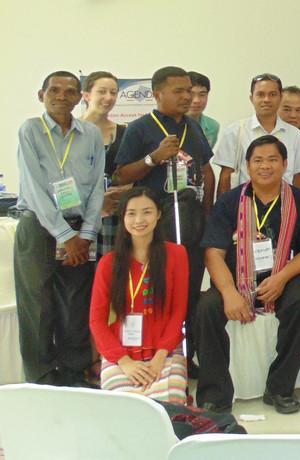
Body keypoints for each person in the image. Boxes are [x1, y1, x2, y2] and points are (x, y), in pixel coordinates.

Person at [196, 135, 300, 414]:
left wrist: (280, 278)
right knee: (206, 308)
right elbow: (213, 253)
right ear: (248, 166)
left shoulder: (299, 199)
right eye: (258, 160)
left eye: (273, 159)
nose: (266, 166)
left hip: (283, 274)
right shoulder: (230, 200)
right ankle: (215, 395)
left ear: (285, 164)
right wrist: (229, 293)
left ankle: (279, 388)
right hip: (237, 276)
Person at [115, 66, 216, 373]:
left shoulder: (194, 127)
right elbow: (121, 174)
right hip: (155, 226)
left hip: (192, 221)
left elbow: (207, 169)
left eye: (190, 91)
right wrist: (153, 158)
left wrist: (208, 211)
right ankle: (158, 353)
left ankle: (189, 355)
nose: (187, 97)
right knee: (159, 291)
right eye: (179, 91)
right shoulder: (140, 129)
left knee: (189, 290)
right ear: (157, 94)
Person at [14, 70, 105, 386]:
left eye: (70, 91)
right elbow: (35, 188)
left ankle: (72, 372)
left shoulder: (91, 134)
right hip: (38, 226)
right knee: (37, 305)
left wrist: (87, 234)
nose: (61, 96)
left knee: (75, 303)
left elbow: (97, 189)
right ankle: (40, 376)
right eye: (54, 90)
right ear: (42, 95)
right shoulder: (31, 131)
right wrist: (65, 237)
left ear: (80, 97)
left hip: (80, 229)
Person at [88, 187, 189, 404]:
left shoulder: (177, 255)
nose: (139, 219)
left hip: (165, 353)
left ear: (159, 214)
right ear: (122, 217)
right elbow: (97, 322)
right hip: (120, 356)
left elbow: (178, 312)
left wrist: (160, 358)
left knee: (170, 407)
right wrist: (124, 362)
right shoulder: (108, 264)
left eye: (147, 212)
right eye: (131, 213)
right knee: (122, 411)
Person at [213, 73, 300, 196]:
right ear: (251, 98)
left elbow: (298, 178)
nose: (266, 99)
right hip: (244, 206)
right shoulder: (235, 131)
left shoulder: (295, 135)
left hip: (284, 207)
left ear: (280, 97)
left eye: (272, 94)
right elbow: (226, 176)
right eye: (260, 94)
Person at [80, 71, 132, 258]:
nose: (108, 97)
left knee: (110, 273)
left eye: (113, 92)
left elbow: (131, 173)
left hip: (113, 215)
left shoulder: (124, 132)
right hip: (78, 213)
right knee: (77, 277)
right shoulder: (70, 132)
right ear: (86, 95)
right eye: (101, 91)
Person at [186, 71, 220, 146]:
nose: (196, 100)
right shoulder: (169, 124)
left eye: (202, 94)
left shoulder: (213, 126)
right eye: (191, 94)